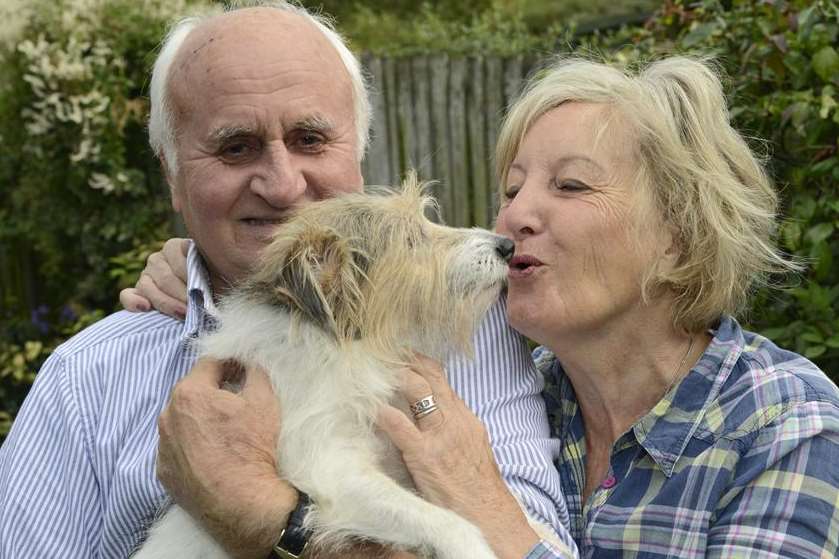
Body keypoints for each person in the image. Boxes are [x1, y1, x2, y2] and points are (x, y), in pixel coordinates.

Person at [134, 55, 839, 557]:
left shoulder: (788, 425)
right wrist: (197, 264)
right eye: (510, 188)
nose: (513, 218)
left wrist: (476, 494)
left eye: (568, 187)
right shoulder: (527, 381)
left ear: (678, 239)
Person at [0, 3, 576, 558]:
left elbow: (530, 551)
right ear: (171, 174)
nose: (281, 186)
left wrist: (259, 512)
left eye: (310, 140)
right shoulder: (84, 382)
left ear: (359, 152)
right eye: (235, 148)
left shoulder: (474, 337)